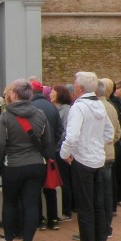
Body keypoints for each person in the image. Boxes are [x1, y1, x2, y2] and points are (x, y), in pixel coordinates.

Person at [0, 79, 53, 241]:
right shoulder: (40, 114)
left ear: (14, 94)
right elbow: (47, 140)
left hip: (13, 165)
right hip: (36, 165)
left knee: (10, 202)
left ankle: (9, 240)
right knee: (32, 203)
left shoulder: (6, 115)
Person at [62, 71, 113, 241]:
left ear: (80, 88)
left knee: (85, 205)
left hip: (83, 159)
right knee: (97, 202)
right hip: (98, 158)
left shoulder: (79, 107)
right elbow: (109, 133)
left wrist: (65, 153)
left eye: (75, 84)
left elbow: (72, 135)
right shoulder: (99, 104)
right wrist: (97, 142)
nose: (74, 86)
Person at [29, 81, 60, 231]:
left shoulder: (31, 108)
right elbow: (60, 131)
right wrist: (52, 147)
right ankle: (53, 219)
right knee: (50, 187)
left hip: (35, 153)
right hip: (50, 153)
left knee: (36, 188)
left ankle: (40, 219)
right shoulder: (52, 107)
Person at [97, 79, 121, 239]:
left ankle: (101, 229)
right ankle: (107, 227)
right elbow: (118, 133)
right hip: (109, 153)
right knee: (106, 192)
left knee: (97, 194)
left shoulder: (96, 107)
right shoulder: (112, 107)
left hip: (97, 156)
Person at [50, 84, 74, 221]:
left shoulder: (67, 110)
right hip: (55, 148)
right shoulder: (54, 109)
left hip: (61, 150)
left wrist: (57, 144)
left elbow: (65, 131)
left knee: (64, 180)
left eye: (53, 91)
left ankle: (66, 210)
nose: (50, 93)